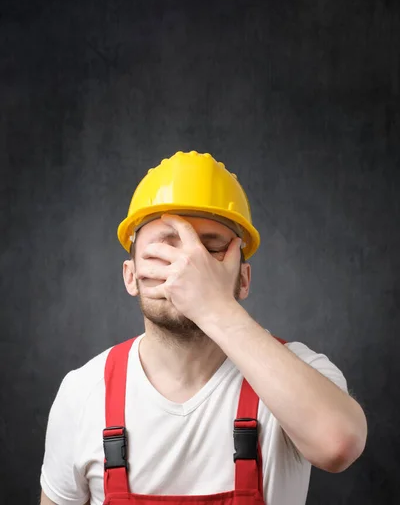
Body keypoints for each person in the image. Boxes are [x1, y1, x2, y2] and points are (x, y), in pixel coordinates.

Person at [40, 150, 367, 505]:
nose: (184, 269)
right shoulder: (83, 393)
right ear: (131, 276)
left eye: (210, 251)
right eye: (163, 253)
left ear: (243, 280)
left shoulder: (297, 372)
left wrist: (213, 306)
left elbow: (339, 445)